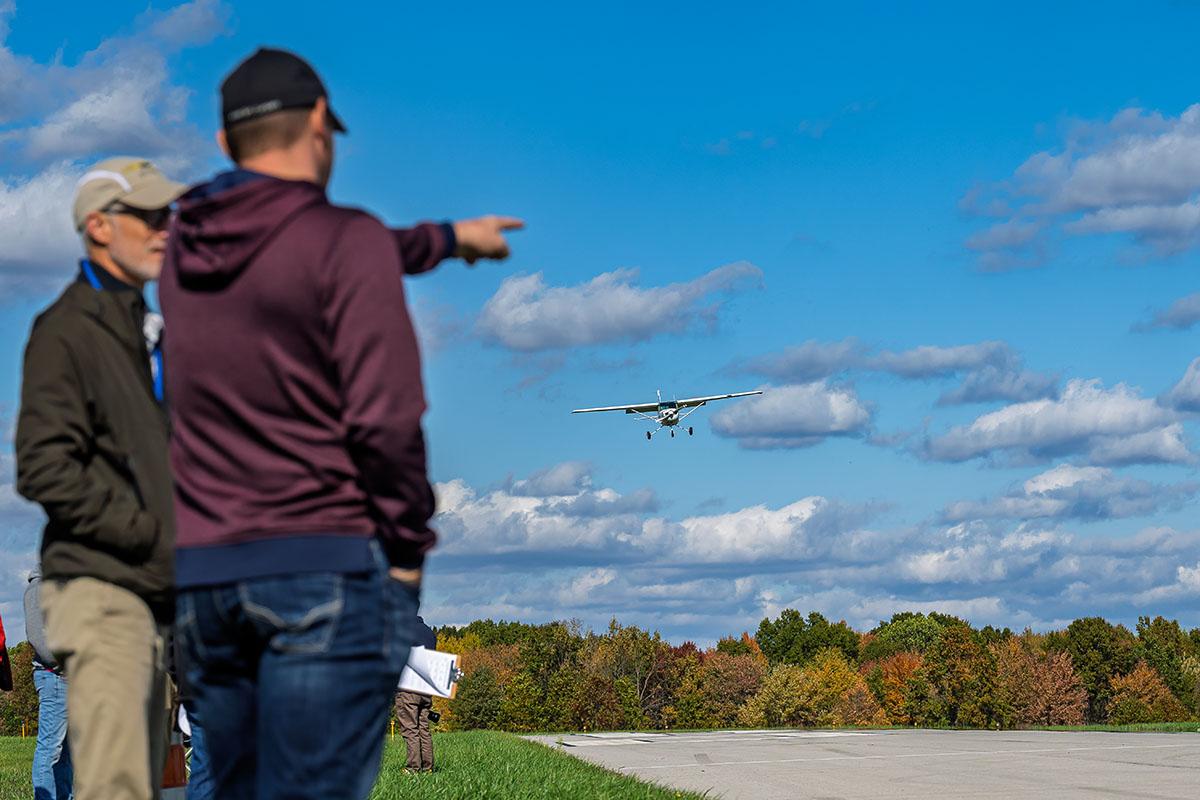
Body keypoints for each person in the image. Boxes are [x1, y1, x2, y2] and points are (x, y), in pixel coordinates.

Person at [160, 47, 520, 799]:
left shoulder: (185, 252)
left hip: (205, 580)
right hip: (315, 570)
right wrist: (408, 557)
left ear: (225, 143)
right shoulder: (344, 242)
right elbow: (389, 420)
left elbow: (322, 251)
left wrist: (445, 239)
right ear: (321, 122)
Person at [15, 156, 185, 800]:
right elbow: (44, 468)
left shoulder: (151, 330)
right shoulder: (67, 331)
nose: (166, 228)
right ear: (99, 227)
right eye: (148, 215)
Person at [26, 569, 74, 800]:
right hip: (55, 677)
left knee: (66, 753)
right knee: (50, 750)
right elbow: (37, 636)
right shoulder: (38, 587)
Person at [395, 616, 438, 773]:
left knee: (410, 728)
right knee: (423, 728)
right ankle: (428, 767)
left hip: (408, 686)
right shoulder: (429, 633)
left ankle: (413, 768)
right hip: (426, 688)